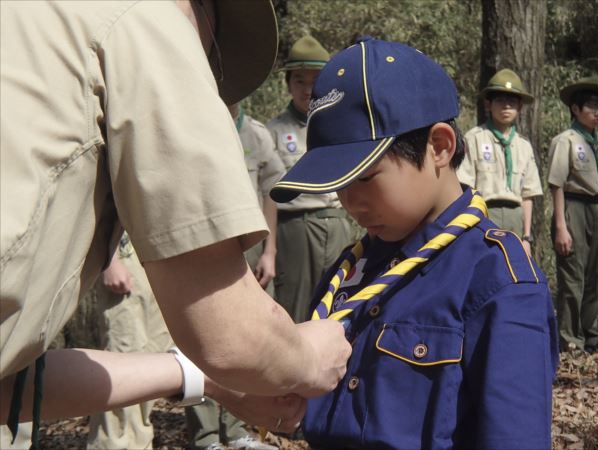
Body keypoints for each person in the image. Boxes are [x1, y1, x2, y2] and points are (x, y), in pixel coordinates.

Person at [0, 1, 352, 447]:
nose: (203, 68)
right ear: (202, 11)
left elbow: (9, 382)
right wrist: (309, 358)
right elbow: (232, 336)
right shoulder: (148, 19)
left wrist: (198, 377)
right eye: (210, 54)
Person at [270, 37, 558, 449]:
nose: (350, 202)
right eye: (339, 183)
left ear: (439, 147)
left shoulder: (498, 280)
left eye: (365, 178)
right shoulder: (348, 271)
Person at [185, 103, 285, 450]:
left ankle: (238, 429)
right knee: (204, 338)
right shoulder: (189, 121)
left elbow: (271, 192)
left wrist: (270, 252)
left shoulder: (255, 133)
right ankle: (207, 435)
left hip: (251, 249)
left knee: (247, 339)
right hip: (204, 247)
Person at [267, 35, 354, 323]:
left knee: (342, 301)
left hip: (339, 224)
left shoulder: (344, 128)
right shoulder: (274, 132)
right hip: (296, 229)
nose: (307, 90)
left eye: (316, 80)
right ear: (288, 85)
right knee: (297, 308)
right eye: (299, 81)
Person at [86, 233, 173, 450]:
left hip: (155, 253)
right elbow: (99, 201)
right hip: (123, 254)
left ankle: (139, 443)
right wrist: (110, 259)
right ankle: (113, 444)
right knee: (122, 358)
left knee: (154, 358)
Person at [457, 69, 543, 256]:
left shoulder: (523, 145)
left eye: (512, 102)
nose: (506, 107)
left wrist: (527, 237)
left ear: (519, 107)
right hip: (485, 213)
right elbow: (464, 186)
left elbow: (528, 195)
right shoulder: (475, 138)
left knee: (514, 269)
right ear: (488, 104)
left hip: (515, 216)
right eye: (500, 101)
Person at [547, 76, 598, 353]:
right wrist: (560, 226)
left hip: (597, 208)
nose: (597, 112)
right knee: (572, 277)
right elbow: (556, 183)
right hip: (573, 206)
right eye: (591, 106)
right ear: (576, 110)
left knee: (595, 276)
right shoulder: (566, 140)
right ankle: (569, 338)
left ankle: (591, 335)